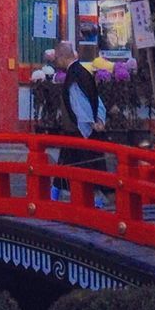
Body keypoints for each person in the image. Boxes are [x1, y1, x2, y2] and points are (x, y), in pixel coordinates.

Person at [50, 42, 108, 205]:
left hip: (79, 130)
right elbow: (96, 99)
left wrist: (89, 125)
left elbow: (78, 104)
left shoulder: (73, 76)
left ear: (62, 57)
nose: (55, 61)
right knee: (66, 163)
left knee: (85, 165)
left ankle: (96, 199)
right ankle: (54, 193)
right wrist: (100, 119)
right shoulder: (83, 72)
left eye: (56, 58)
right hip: (79, 128)